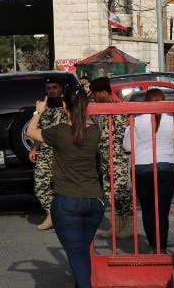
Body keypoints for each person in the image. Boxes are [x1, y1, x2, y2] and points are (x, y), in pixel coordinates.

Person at [26, 85, 103, 288]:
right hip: (95, 201)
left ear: (63, 105)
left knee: (76, 253)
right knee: (81, 252)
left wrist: (38, 111)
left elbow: (30, 131)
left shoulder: (59, 132)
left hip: (68, 202)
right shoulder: (95, 130)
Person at [122, 88, 174, 252]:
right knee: (162, 211)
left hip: (141, 168)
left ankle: (152, 246)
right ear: (163, 101)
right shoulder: (173, 120)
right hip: (166, 167)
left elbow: (127, 146)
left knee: (148, 210)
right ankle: (161, 248)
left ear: (145, 102)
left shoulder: (136, 120)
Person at [91, 76, 134, 240]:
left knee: (122, 192)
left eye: (95, 93)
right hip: (106, 158)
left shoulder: (118, 108)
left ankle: (128, 226)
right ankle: (117, 226)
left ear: (103, 92)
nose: (93, 97)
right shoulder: (100, 109)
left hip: (119, 158)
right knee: (110, 193)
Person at [29, 76, 68, 231]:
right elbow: (40, 130)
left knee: (64, 188)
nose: (51, 91)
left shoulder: (68, 106)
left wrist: (67, 108)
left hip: (63, 154)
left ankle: (65, 217)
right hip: (45, 153)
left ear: (61, 89)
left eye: (54, 87)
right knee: (40, 185)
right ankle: (51, 215)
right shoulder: (43, 107)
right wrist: (34, 148)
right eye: (48, 88)